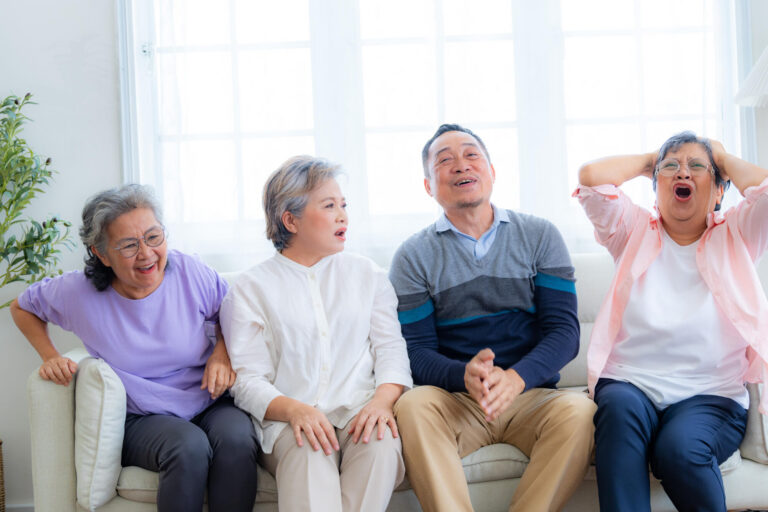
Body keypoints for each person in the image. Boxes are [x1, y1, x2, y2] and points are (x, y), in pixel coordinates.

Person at [10, 184, 259, 512]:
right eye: (129, 245)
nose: (146, 253)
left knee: (239, 440)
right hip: (142, 416)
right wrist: (50, 356)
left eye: (154, 237)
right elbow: (23, 307)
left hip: (208, 400)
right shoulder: (77, 293)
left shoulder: (189, 272)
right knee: (188, 446)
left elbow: (233, 314)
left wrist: (222, 353)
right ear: (100, 253)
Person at [389, 123, 596, 512]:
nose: (460, 165)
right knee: (413, 407)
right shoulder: (412, 256)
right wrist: (462, 375)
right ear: (428, 186)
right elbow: (415, 352)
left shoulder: (539, 235)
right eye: (444, 160)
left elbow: (564, 333)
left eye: (471, 155)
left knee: (580, 411)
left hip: (529, 393)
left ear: (492, 172)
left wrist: (516, 379)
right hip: (457, 400)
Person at [576, 131, 768, 512]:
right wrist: (652, 158)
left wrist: (723, 159)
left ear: (718, 191)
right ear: (655, 189)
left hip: (712, 395)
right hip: (631, 383)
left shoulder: (738, 233)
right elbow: (591, 177)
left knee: (678, 449)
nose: (683, 173)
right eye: (671, 168)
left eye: (697, 167)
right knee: (617, 412)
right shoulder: (630, 230)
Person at [220, 155, 413, 512]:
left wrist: (382, 402)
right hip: (289, 420)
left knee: (381, 444)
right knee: (309, 451)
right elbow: (247, 380)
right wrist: (295, 411)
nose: (343, 215)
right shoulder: (250, 288)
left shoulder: (367, 275)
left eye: (343, 205)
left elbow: (391, 351)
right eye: (329, 206)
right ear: (290, 220)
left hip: (359, 410)